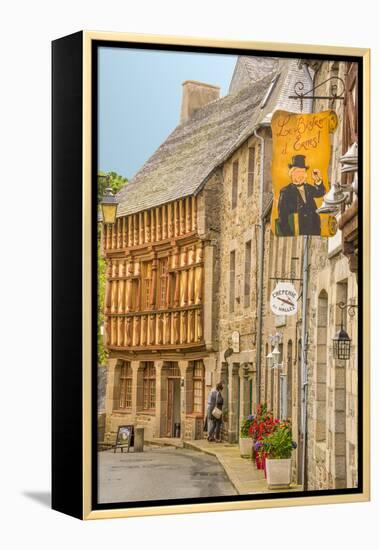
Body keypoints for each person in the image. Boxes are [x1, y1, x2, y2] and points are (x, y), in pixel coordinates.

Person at [276, 154, 326, 236]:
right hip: (298, 233)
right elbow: (282, 218)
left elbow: (320, 192)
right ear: (292, 174)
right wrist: (290, 235)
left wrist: (318, 181)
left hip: (314, 231)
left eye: (303, 172)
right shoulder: (286, 192)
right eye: (298, 172)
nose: (301, 175)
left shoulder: (308, 187)